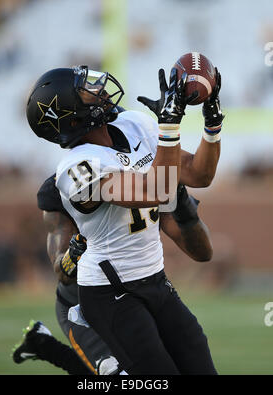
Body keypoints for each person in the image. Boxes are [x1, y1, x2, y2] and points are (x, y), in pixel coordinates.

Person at [25, 65, 224, 374]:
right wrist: (169, 125)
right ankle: (45, 346)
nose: (100, 90)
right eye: (87, 91)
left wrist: (212, 124)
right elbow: (154, 190)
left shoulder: (133, 124)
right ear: (72, 116)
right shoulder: (76, 168)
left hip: (155, 279)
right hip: (109, 293)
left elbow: (200, 174)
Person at [12, 182, 214, 375]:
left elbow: (201, 251)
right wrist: (73, 255)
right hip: (81, 302)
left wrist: (185, 211)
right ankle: (46, 347)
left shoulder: (146, 171)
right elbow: (62, 272)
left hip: (142, 294)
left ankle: (42, 344)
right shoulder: (64, 185)